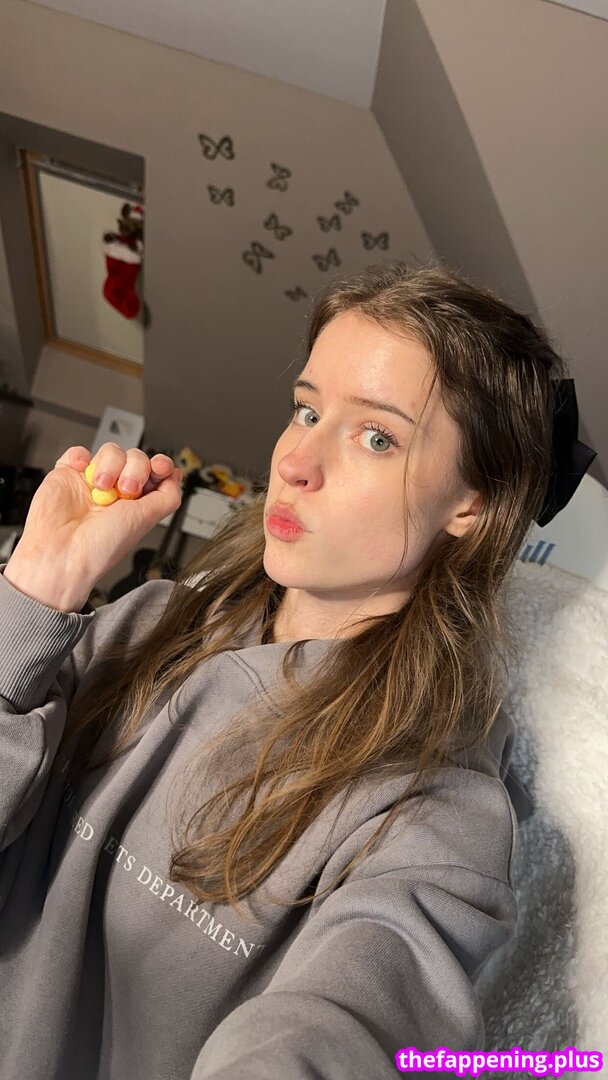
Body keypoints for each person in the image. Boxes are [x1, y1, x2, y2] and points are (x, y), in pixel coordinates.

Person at [0, 259, 565, 1079]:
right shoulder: (147, 623)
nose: (297, 459)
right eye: (307, 409)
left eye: (376, 436)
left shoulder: (433, 810)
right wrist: (30, 597)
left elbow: (350, 1022)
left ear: (470, 505)